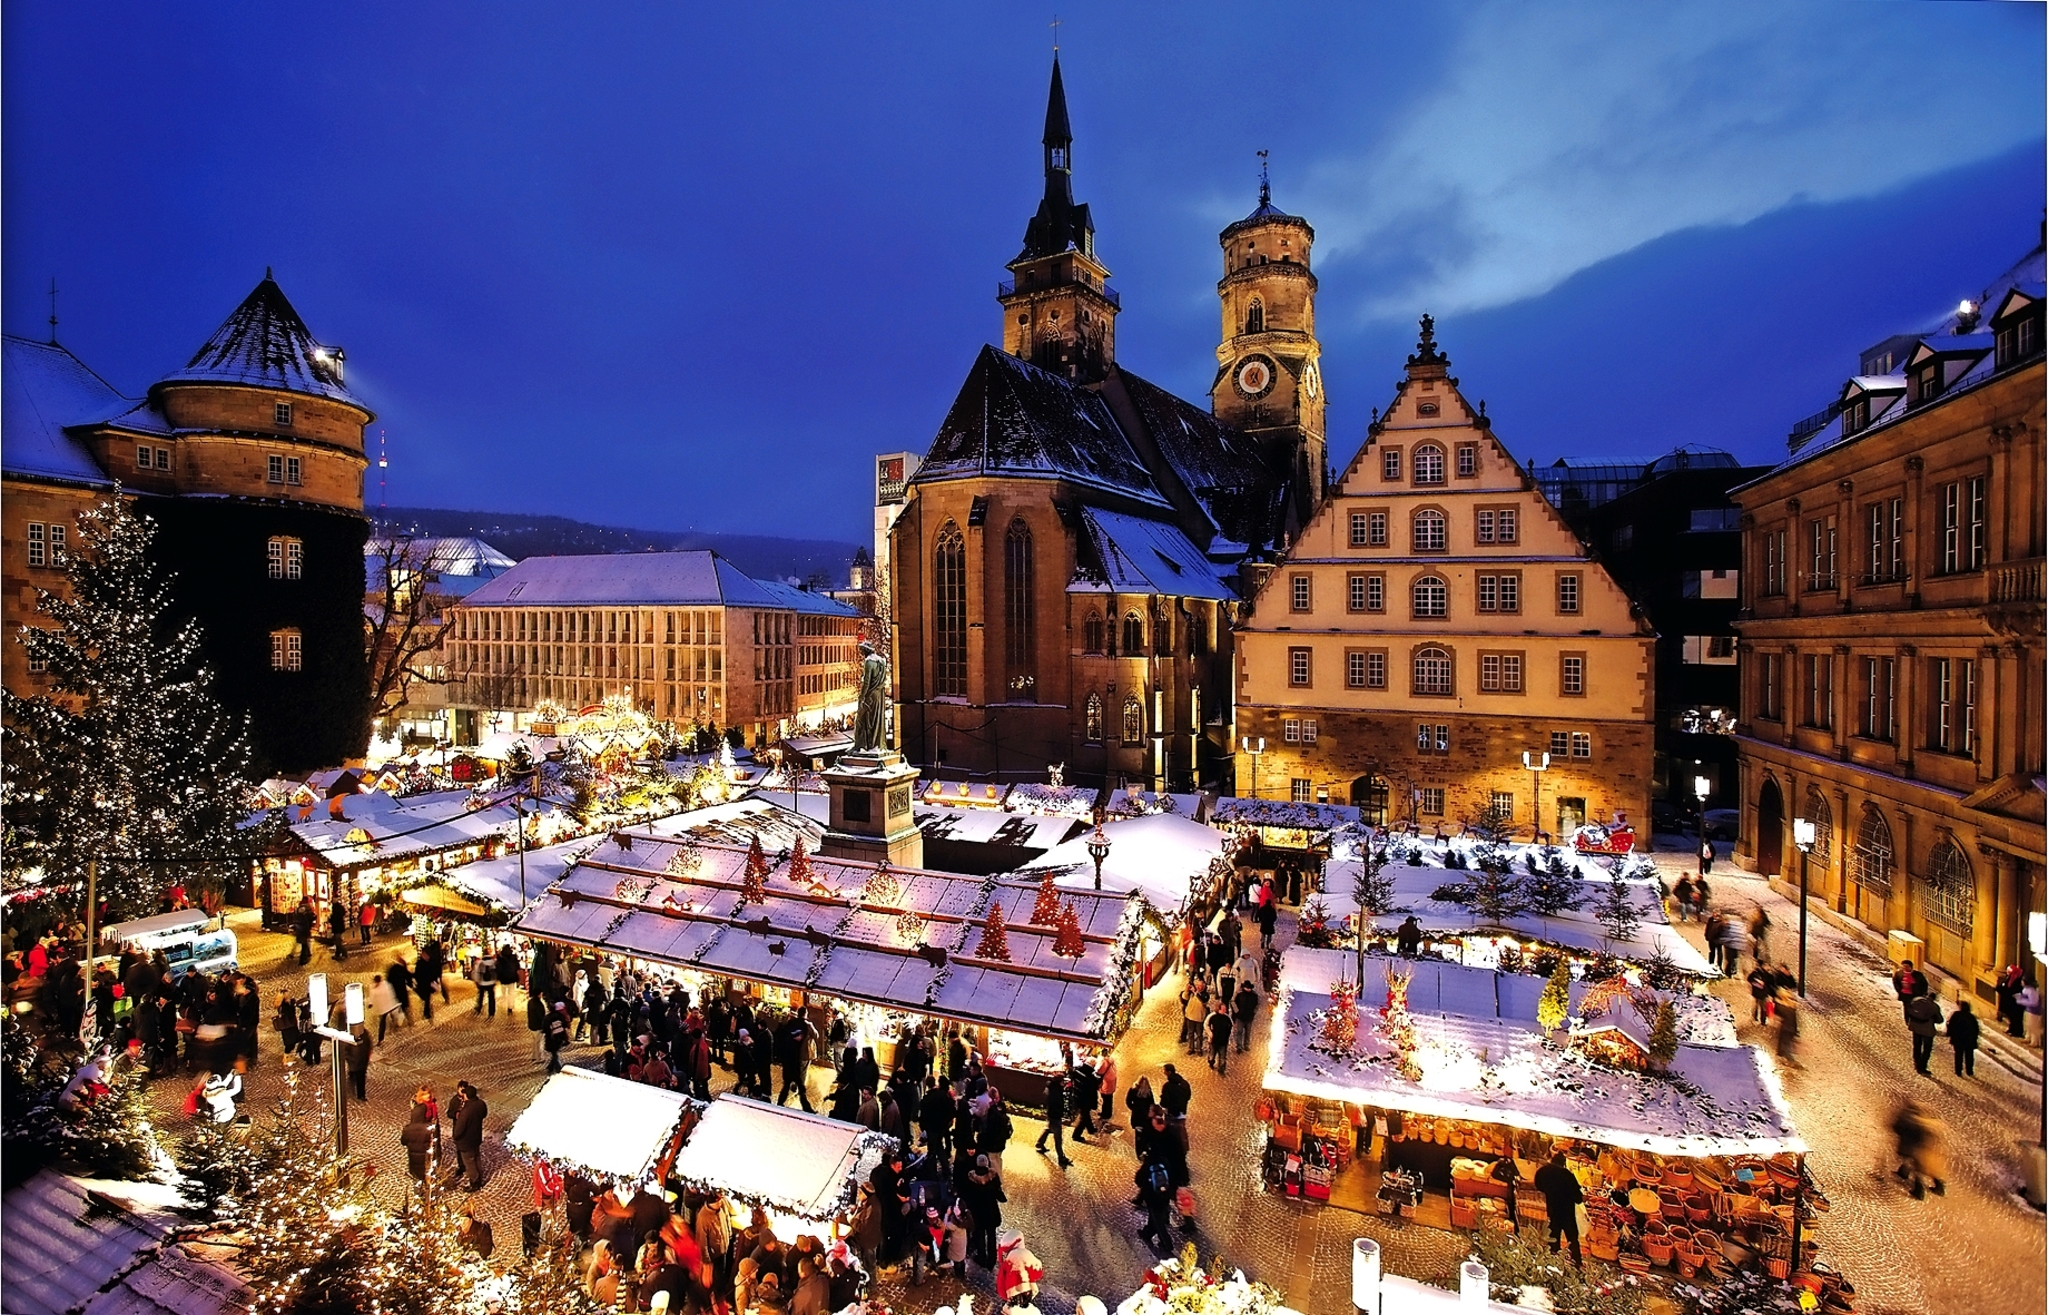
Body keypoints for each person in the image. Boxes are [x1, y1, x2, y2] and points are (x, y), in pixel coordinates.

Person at [1532, 1152, 1584, 1267]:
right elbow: (1578, 1198)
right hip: (1567, 1212)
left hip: (1552, 1209)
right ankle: (1576, 1262)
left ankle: (1552, 1261)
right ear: (1563, 1163)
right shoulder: (1567, 1175)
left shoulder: (1543, 1171)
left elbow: (1538, 1184)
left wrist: (1548, 1191)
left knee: (1553, 1237)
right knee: (1572, 1238)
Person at [1891, 1099, 1947, 1199]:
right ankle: (1903, 1173)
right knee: (1926, 1167)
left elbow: (1896, 1127)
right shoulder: (1929, 1123)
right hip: (1926, 1150)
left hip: (1913, 1148)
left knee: (1917, 1169)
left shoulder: (1910, 1120)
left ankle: (1919, 1191)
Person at [448, 1079, 488, 1188]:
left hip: (466, 1141)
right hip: (476, 1137)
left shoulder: (466, 1111)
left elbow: (459, 1129)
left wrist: (456, 1136)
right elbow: (484, 1114)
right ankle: (480, 1177)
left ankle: (474, 1182)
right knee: (476, 1158)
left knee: (470, 1162)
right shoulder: (481, 1104)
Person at [1135, 1152, 1174, 1252]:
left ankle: (1167, 1243)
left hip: (1153, 1197)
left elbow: (1139, 1180)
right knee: (1155, 1217)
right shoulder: (1165, 1161)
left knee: (1157, 1220)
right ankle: (1147, 1233)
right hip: (1165, 1195)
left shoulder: (1149, 1164)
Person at [1034, 1071, 1072, 1167]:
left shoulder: (1052, 1088)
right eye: (1062, 1081)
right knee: (1058, 1138)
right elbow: (1057, 1104)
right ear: (1059, 1082)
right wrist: (1059, 1114)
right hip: (1055, 1116)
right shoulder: (1055, 1092)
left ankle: (1039, 1144)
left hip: (1052, 1115)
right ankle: (1061, 1157)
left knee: (1049, 1128)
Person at [1904, 990, 1943, 1075]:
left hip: (1915, 1027)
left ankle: (1916, 1062)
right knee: (1927, 1049)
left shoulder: (1916, 1000)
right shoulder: (1934, 1006)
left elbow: (1909, 1011)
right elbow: (1940, 1020)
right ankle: (1922, 1067)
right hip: (1927, 1030)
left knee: (1917, 1046)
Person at [400, 1104, 438, 1183]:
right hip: (426, 1159)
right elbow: (432, 1143)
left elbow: (403, 1142)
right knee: (426, 1177)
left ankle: (418, 1188)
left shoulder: (407, 1128)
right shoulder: (428, 1128)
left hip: (413, 1159)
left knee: (416, 1178)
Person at [1946, 1000, 1980, 1077]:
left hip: (1958, 1039)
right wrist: (1974, 1039)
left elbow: (1951, 1025)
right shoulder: (1971, 1017)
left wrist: (1949, 1034)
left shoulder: (1956, 1015)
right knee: (1969, 1055)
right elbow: (1975, 1029)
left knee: (1958, 1055)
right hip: (1969, 1040)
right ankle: (1969, 1070)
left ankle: (1958, 1071)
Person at [1995, 964, 2027, 1036]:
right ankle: (2011, 1029)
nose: (2007, 973)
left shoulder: (2018, 981)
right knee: (2011, 1017)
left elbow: (2013, 990)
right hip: (2010, 1001)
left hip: (2016, 1003)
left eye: (2009, 972)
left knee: (2016, 1018)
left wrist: (2004, 990)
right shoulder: (2009, 978)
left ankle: (2017, 1032)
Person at [344, 1020, 372, 1100]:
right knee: (359, 1077)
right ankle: (360, 1095)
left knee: (360, 1077)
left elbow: (368, 1045)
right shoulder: (363, 1034)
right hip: (358, 1060)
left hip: (360, 1060)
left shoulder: (363, 1034)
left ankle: (361, 1094)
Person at [1206, 1000, 1232, 1074]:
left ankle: (1221, 1069)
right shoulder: (1212, 1017)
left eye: (1225, 1009)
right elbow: (1206, 1025)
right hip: (1214, 1040)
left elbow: (1230, 1027)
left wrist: (1227, 1036)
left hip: (1223, 1041)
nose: (1225, 1010)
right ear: (1219, 1009)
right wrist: (1210, 1034)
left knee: (1222, 1057)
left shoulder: (1227, 1018)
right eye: (1223, 1009)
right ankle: (1211, 1062)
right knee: (1212, 1055)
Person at [544, 1001, 571, 1072]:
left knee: (554, 1052)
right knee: (554, 1052)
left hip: (551, 1037)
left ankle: (558, 1068)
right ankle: (551, 1067)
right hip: (560, 1036)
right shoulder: (560, 1016)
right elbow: (564, 1024)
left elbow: (545, 1028)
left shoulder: (547, 1018)